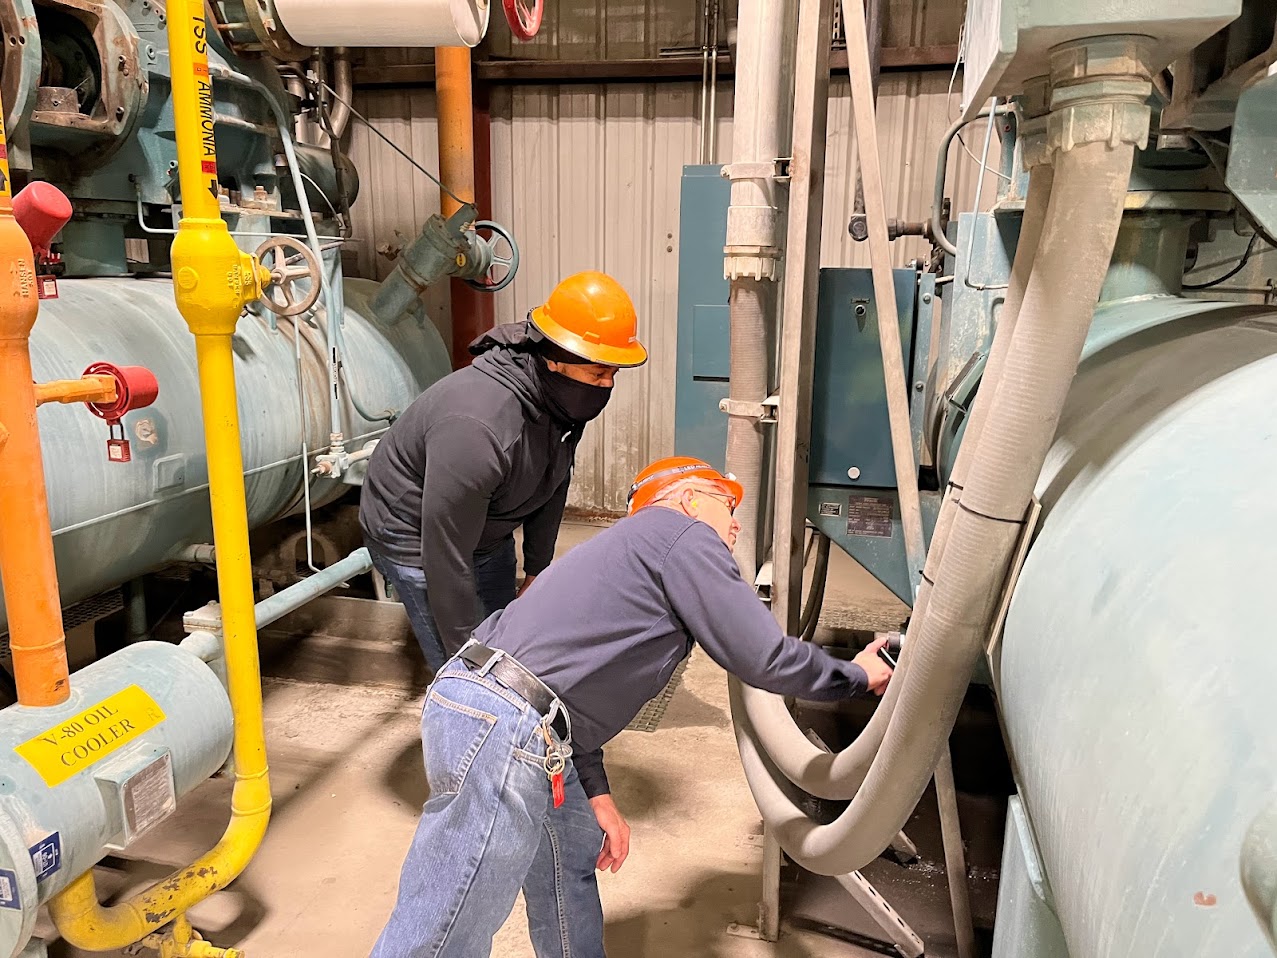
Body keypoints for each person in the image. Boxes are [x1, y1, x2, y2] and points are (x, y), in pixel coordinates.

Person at [370, 456, 895, 958]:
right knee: (449, 924)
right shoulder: (683, 534)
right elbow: (762, 656)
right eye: (727, 505)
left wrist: (597, 795)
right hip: (507, 720)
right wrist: (857, 674)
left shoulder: (629, 553)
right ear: (689, 499)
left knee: (568, 862)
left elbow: (568, 682)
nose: (736, 524)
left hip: (508, 713)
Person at [359, 271, 648, 672]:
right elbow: (445, 555)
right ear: (555, 359)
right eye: (598, 374)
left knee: (505, 637)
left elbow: (553, 479)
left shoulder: (561, 399)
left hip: (487, 527)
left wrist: (537, 570)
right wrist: (468, 661)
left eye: (613, 375)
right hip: (415, 535)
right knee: (464, 663)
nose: (606, 386)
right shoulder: (478, 428)